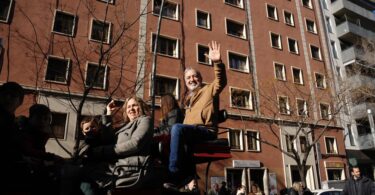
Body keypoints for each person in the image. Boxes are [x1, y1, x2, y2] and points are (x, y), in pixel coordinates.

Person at [164, 41, 227, 190]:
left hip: (206, 131)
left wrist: (217, 62)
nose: (192, 79)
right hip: (191, 133)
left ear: (200, 78)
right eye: (188, 78)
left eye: (195, 76)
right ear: (185, 82)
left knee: (178, 129)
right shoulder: (187, 100)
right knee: (171, 137)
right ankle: (188, 179)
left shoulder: (209, 89)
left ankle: (173, 174)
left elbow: (221, 81)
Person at [77, 96, 154, 195]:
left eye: (134, 105)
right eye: (128, 107)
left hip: (129, 168)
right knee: (77, 170)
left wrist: (101, 151)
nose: (131, 109)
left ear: (142, 107)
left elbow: (135, 144)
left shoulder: (145, 120)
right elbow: (108, 139)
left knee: (83, 174)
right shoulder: (124, 126)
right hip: (114, 165)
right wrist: (108, 113)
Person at [0, 82, 31, 193]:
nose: (8, 98)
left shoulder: (13, 122)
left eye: (13, 96)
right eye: (5, 94)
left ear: (20, 102)